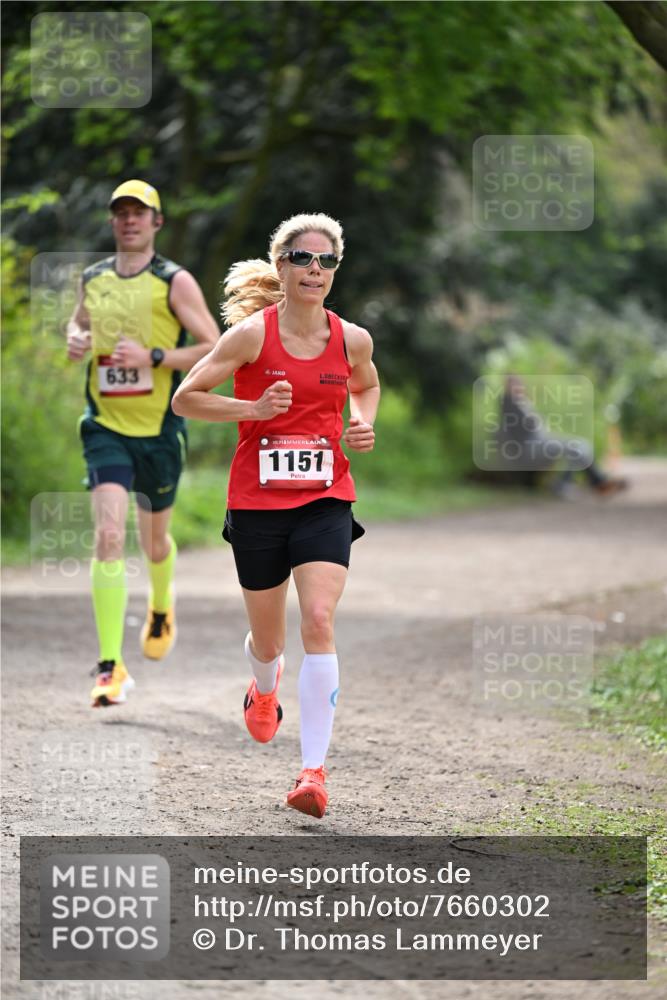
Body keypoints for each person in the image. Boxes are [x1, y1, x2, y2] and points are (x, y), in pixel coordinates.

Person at [172, 213, 380, 818]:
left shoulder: (353, 339)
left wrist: (362, 422)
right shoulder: (250, 337)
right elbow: (187, 397)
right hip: (257, 501)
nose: (314, 269)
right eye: (301, 258)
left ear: (334, 272)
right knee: (268, 639)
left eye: (325, 261)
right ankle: (264, 690)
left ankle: (312, 773)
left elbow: (366, 384)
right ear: (281, 265)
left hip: (325, 496)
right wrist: (253, 405)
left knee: (318, 617)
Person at [66, 179, 219, 707]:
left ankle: (160, 603)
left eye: (140, 212)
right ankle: (111, 667)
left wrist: (153, 358)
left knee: (154, 543)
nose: (129, 220)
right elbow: (79, 327)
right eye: (121, 213)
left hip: (158, 431)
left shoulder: (174, 282)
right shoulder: (93, 279)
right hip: (105, 425)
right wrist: (76, 338)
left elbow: (212, 347)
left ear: (156, 222)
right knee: (110, 536)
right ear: (113, 221)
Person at [498, 375, 628, 498]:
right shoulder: (509, 403)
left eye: (518, 383)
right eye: (513, 384)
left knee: (580, 447)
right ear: (507, 386)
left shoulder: (522, 402)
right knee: (576, 448)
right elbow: (528, 425)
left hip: (541, 441)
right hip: (531, 446)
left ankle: (593, 482)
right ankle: (595, 482)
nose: (517, 387)